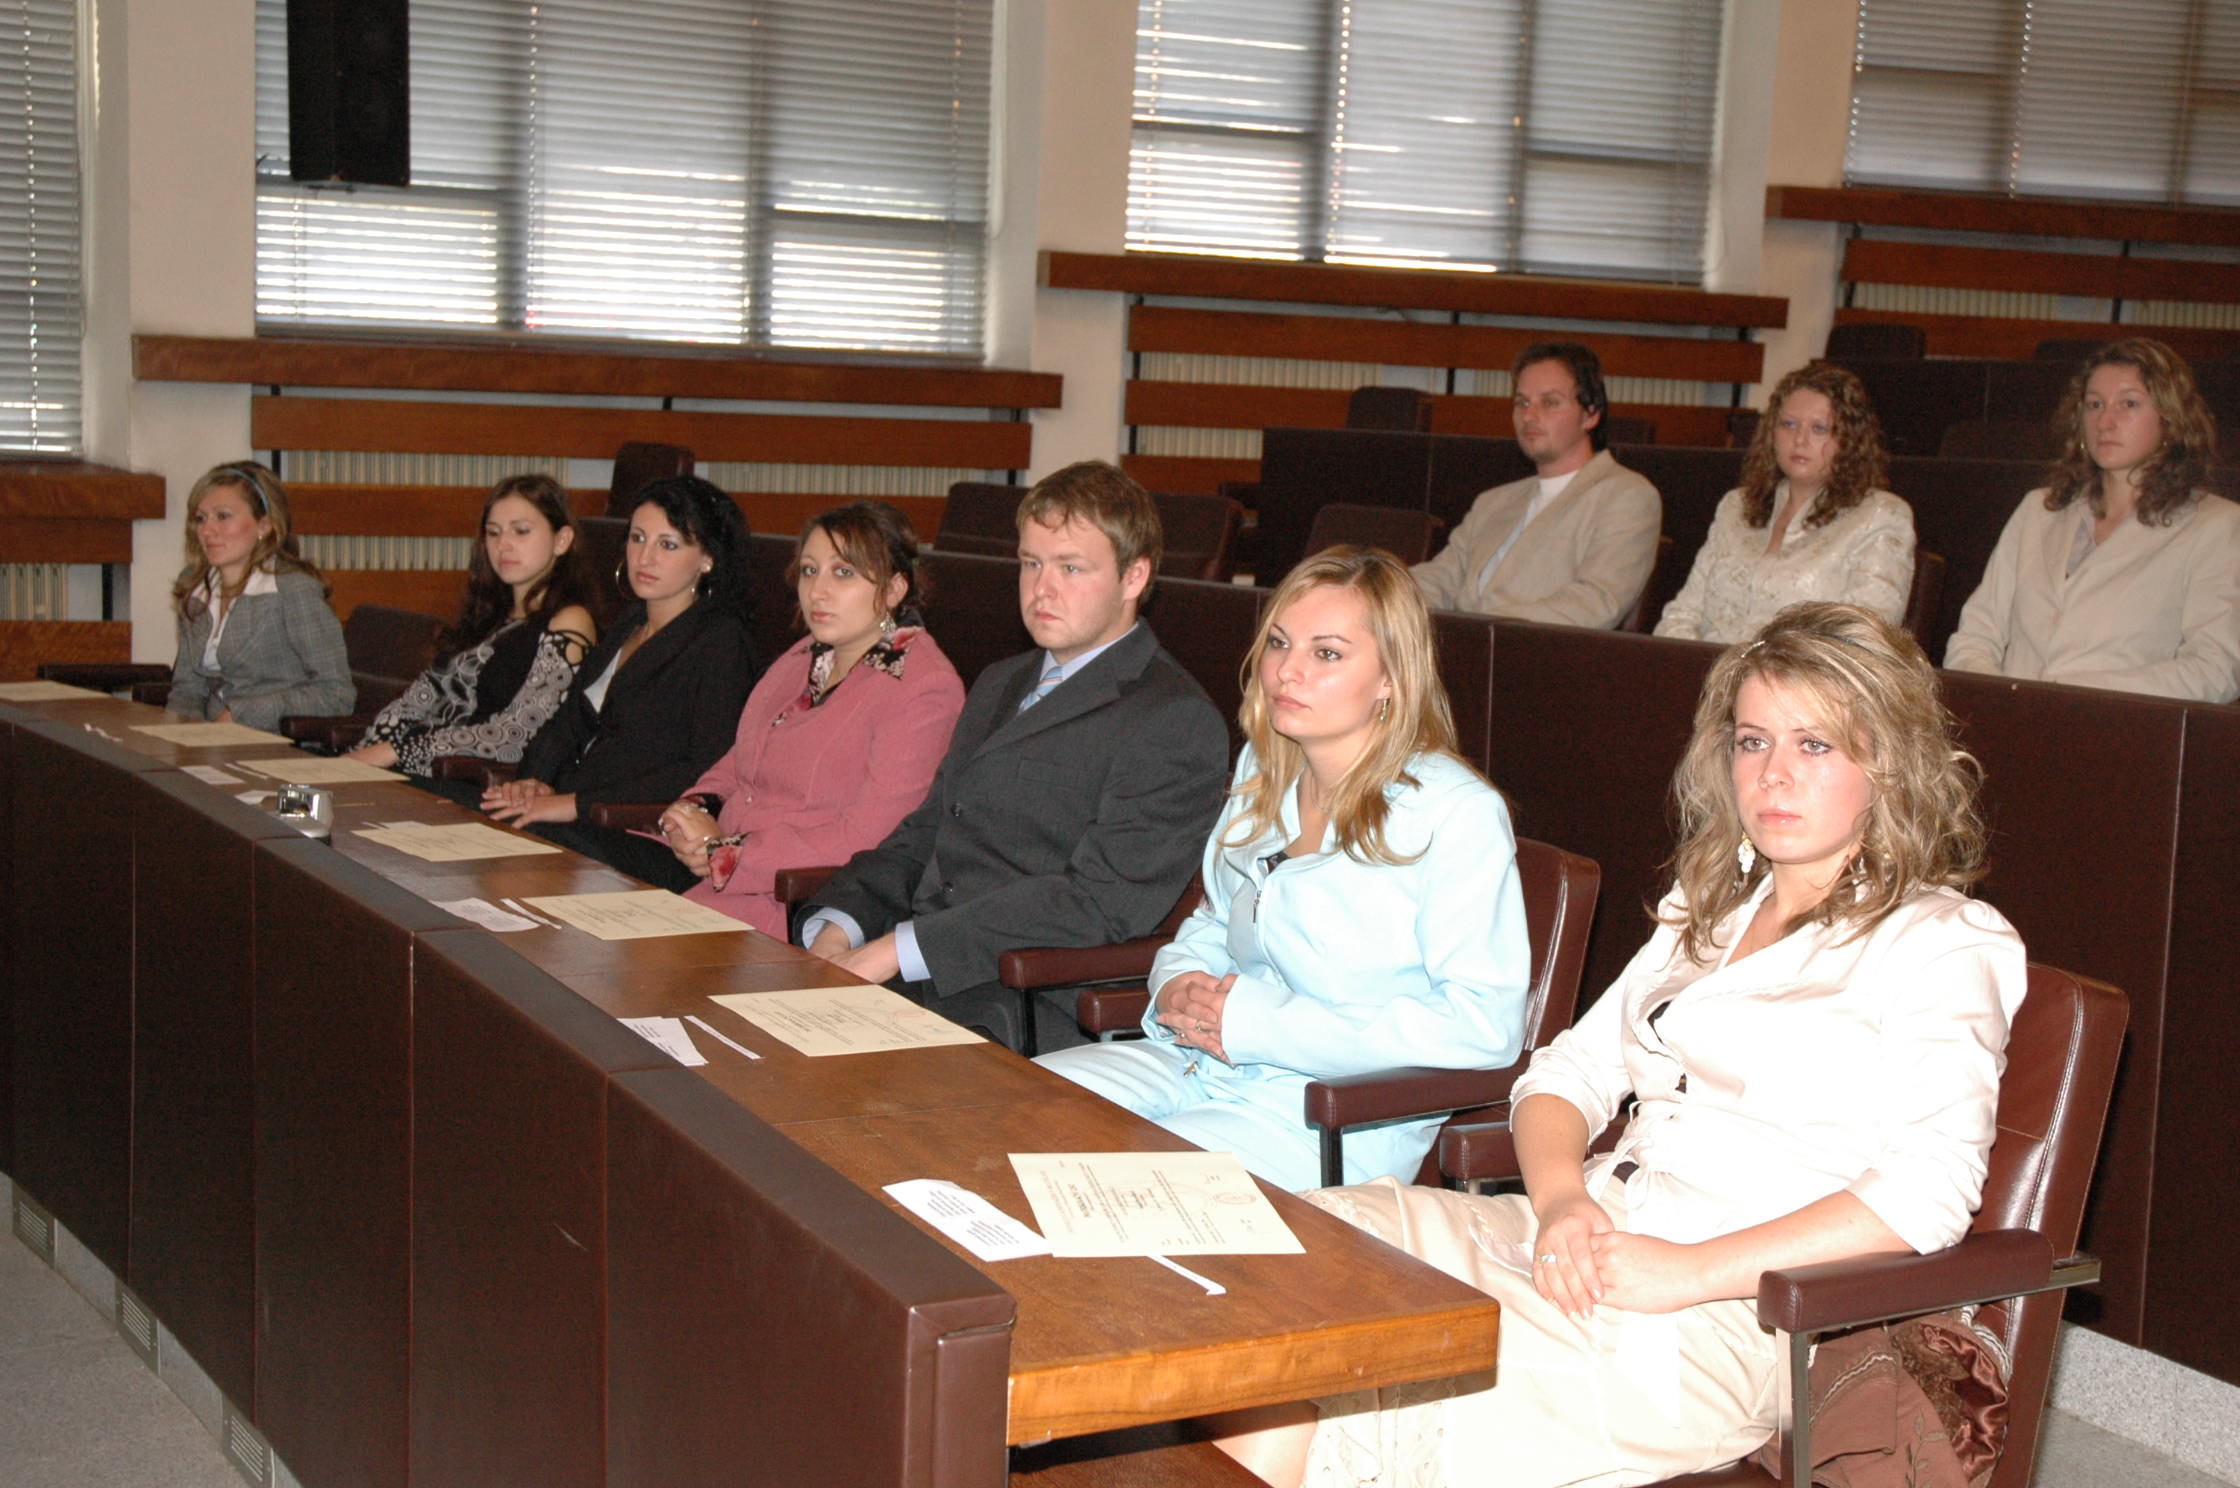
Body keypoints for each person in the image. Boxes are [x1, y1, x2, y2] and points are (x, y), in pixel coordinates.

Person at [1211, 602, 2026, 1488]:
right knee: (1290, 1253)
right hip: (1579, 1236)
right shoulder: (1709, 908)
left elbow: (1929, 1194)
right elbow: (1566, 1074)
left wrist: (1683, 1273)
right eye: (1753, 742)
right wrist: (1562, 1200)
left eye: (1815, 745)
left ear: (1887, 764)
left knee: (1352, 1378)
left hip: (1718, 1316)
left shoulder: (1944, 943)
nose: (1774, 775)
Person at [1036, 547, 1529, 1191]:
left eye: (1326, 653)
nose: (1286, 671)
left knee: (1110, 1187)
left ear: (1391, 677)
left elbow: (1483, 1026)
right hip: (1200, 1061)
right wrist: (1178, 982)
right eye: (1278, 643)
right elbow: (1215, 919)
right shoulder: (1265, 771)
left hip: (1330, 1112)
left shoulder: (1454, 813)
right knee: (1004, 1111)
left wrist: (1258, 1023)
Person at [800, 460, 1230, 1054]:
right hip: (920, 979)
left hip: (1021, 1002)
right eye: (1031, 564)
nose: (1041, 589)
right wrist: (839, 925)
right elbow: (928, 832)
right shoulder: (1002, 681)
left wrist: (897, 950)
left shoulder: (1172, 718)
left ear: (1134, 576)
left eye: (1070, 568)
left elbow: (1098, 902)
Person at [655, 501, 965, 939]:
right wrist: (695, 811)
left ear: (895, 589)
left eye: (843, 573)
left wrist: (727, 853)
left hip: (795, 905)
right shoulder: (804, 655)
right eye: (809, 570)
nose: (817, 591)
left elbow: (868, 839)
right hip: (710, 883)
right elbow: (740, 762)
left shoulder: (923, 688)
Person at [474, 475, 762, 888]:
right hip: (579, 817)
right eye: (638, 538)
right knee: (477, 825)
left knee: (512, 850)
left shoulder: (721, 640)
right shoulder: (630, 623)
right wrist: (531, 783)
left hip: (641, 832)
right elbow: (566, 724)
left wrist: (575, 805)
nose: (645, 557)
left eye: (668, 545)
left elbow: (704, 768)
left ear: (707, 559)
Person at [1944, 337, 2240, 703]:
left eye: (2129, 404)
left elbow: (2214, 670)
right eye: (2094, 404)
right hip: (2009, 718)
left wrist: (2070, 696)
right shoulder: (2039, 510)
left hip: (2120, 726)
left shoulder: (2215, 526)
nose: (2105, 421)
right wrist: (2001, 698)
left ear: (2170, 420)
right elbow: (1975, 635)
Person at [348, 474, 599, 774]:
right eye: (493, 533)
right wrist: (359, 757)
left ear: (561, 540)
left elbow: (519, 733)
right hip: (418, 770)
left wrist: (397, 751)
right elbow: (413, 704)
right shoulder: (485, 616)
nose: (503, 545)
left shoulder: (569, 620)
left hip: (472, 780)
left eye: (521, 531)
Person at [1656, 363, 1915, 643]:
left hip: (1808, 672)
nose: (1800, 440)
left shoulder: (1880, 515)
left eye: (1819, 428)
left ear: (1849, 440)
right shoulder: (1736, 506)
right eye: (1789, 424)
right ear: (1772, 433)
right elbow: (1681, 615)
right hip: (1709, 667)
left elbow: (1864, 641)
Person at [1411, 342, 1662, 627]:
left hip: (1530, 649)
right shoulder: (1493, 501)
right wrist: (1382, 598)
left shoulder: (1627, 496)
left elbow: (1595, 602)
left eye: (1550, 402)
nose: (1529, 416)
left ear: (1591, 413)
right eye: (1522, 402)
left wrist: (1481, 628)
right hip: (1458, 640)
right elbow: (1441, 577)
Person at [166, 460, 354, 731]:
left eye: (223, 516)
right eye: (201, 518)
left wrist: (242, 714)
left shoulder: (293, 589)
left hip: (276, 739)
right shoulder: (194, 585)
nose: (206, 531)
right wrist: (179, 736)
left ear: (264, 525)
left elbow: (336, 695)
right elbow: (187, 689)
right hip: (212, 739)